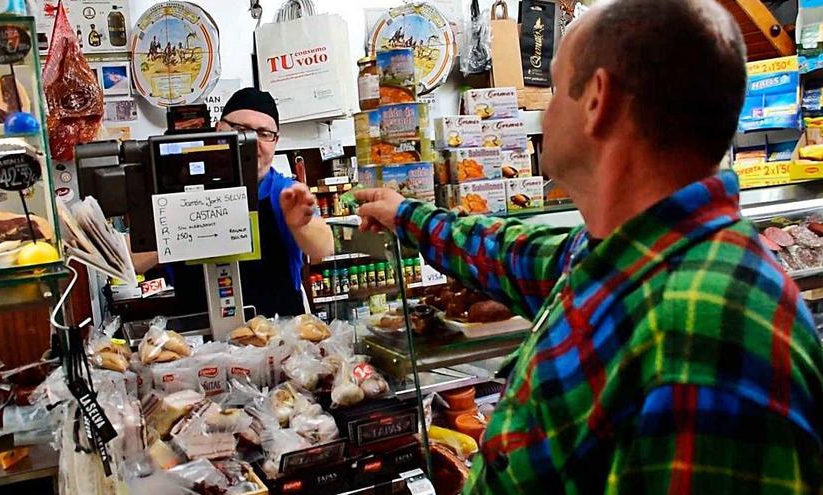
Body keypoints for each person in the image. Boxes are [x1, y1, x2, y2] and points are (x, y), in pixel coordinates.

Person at [356, 0, 823, 493]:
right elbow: (514, 252)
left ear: (599, 100)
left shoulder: (705, 332)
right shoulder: (628, 254)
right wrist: (405, 214)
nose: (543, 112)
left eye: (555, 89)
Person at [138, 88, 334, 318]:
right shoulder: (177, 193)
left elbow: (324, 247)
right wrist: (177, 229)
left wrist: (302, 224)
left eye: (264, 133)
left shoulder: (283, 193)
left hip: (275, 341)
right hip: (199, 342)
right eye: (241, 130)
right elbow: (134, 262)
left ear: (275, 141)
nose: (252, 142)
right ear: (219, 129)